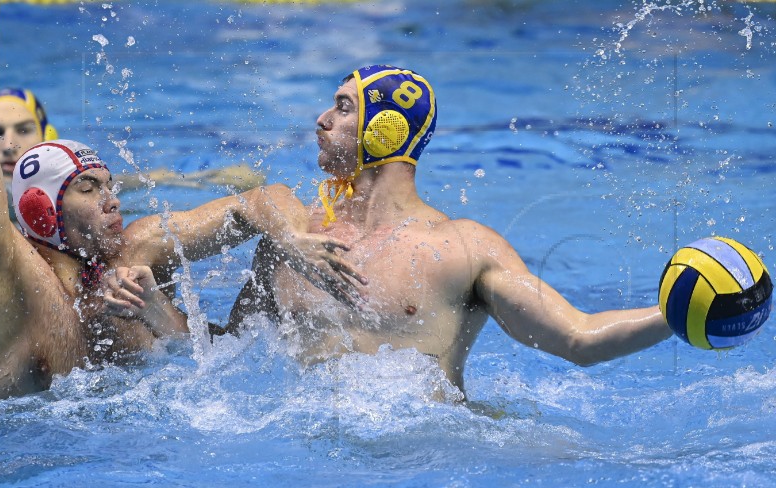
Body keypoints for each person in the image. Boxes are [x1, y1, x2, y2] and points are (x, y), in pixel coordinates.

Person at [0, 0, 366, 407]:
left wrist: (291, 238)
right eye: (89, 189)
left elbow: (257, 200)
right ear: (43, 212)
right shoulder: (8, 276)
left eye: (110, 186)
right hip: (14, 455)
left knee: (275, 254)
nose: (112, 202)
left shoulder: (132, 255)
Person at [229, 64, 673, 397]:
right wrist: (160, 318)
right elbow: (225, 358)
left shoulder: (461, 248)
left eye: (343, 107)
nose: (322, 120)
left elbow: (577, 337)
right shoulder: (293, 242)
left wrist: (678, 315)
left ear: (386, 131)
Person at [0, 87, 266, 222]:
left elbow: (146, 180)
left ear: (47, 138)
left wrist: (208, 178)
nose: (8, 145)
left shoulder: (77, 186)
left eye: (24, 130)